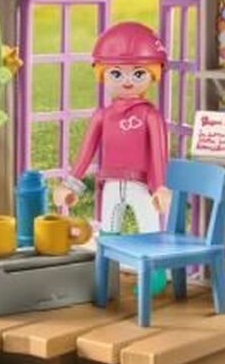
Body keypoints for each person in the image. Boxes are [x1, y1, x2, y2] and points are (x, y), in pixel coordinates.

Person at [52, 21, 171, 234]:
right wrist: (70, 183)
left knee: (151, 234)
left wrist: (160, 186)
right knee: (108, 234)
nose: (127, 81)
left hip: (141, 185)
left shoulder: (151, 116)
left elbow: (159, 155)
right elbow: (85, 153)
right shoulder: (103, 115)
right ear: (102, 73)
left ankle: (153, 259)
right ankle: (108, 258)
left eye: (138, 74)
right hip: (111, 184)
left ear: (153, 73)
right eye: (116, 73)